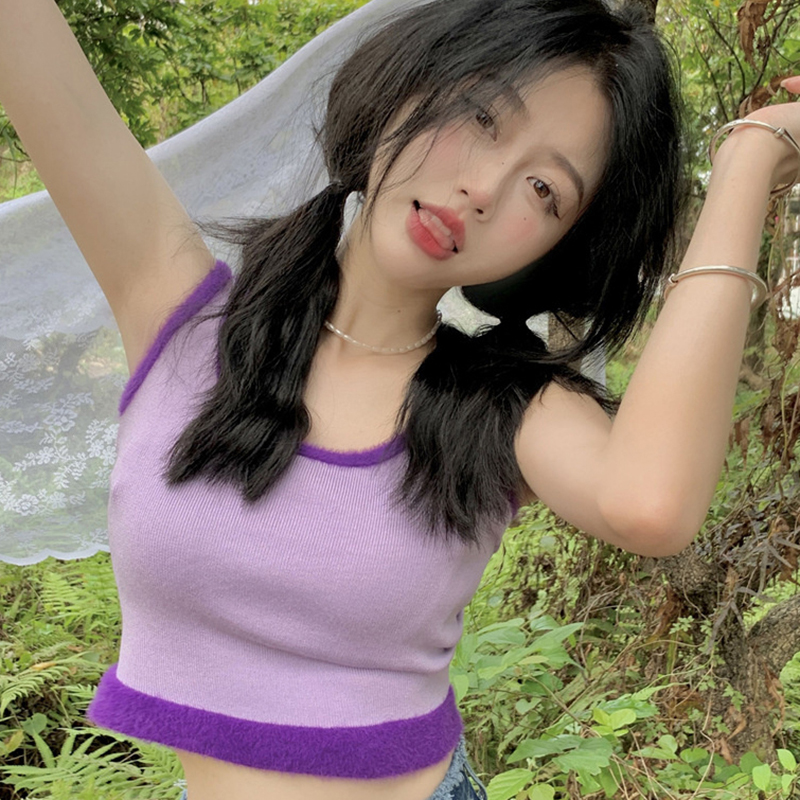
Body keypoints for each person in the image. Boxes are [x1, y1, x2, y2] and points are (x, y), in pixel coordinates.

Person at [1, 0, 799, 798]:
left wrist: (748, 159)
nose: (482, 188)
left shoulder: (504, 407)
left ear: (561, 246)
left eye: (544, 190)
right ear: (411, 82)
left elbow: (651, 505)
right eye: (481, 116)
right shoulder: (182, 316)